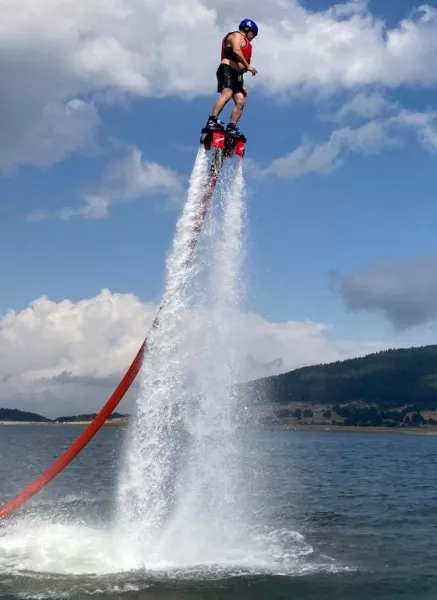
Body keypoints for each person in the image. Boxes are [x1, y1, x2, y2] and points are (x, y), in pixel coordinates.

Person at [203, 18, 258, 141]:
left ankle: (231, 127)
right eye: (253, 34)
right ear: (247, 29)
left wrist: (242, 83)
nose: (253, 37)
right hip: (227, 69)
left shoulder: (247, 42)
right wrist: (248, 66)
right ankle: (212, 120)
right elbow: (236, 51)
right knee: (227, 93)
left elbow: (240, 66)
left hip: (237, 75)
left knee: (240, 101)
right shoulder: (236, 36)